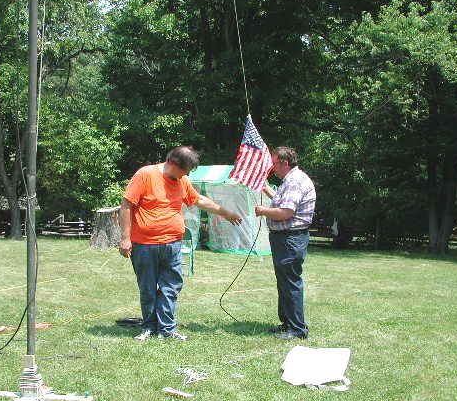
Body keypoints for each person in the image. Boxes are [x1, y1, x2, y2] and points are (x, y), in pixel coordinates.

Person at [120, 146, 243, 341]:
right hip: (144, 244)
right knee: (148, 288)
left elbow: (198, 200)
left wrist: (225, 212)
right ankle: (149, 327)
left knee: (171, 287)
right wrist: (126, 238)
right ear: (172, 163)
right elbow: (127, 205)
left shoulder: (182, 180)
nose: (186, 175)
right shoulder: (145, 175)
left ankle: (167, 330)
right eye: (184, 170)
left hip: (173, 244)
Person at [254, 147, 316, 340]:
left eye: (274, 164)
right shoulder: (291, 180)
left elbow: (287, 212)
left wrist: (263, 211)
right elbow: (283, 203)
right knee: (285, 283)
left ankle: (297, 329)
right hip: (287, 239)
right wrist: (266, 189)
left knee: (290, 283)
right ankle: (288, 324)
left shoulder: (294, 181)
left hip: (290, 239)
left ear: (284, 163)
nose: (272, 168)